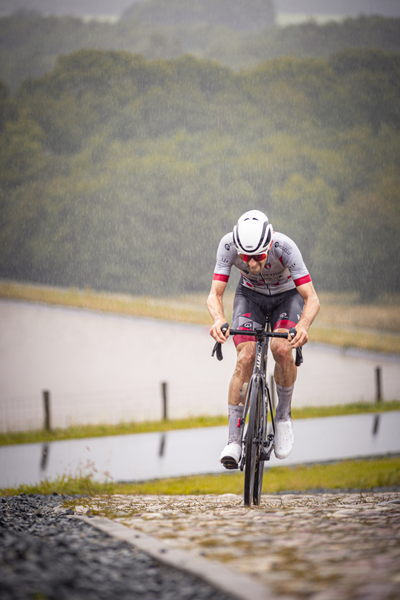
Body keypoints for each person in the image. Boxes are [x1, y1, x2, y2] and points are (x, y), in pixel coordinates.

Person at [207, 209, 320, 468]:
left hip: (286, 297)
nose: (251, 263)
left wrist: (302, 326)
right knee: (245, 357)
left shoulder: (285, 247)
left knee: (281, 348)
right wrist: (217, 319)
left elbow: (312, 299)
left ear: (269, 245)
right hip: (250, 296)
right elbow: (215, 294)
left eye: (258, 256)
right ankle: (234, 440)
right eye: (245, 257)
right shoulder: (228, 246)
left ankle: (283, 417)